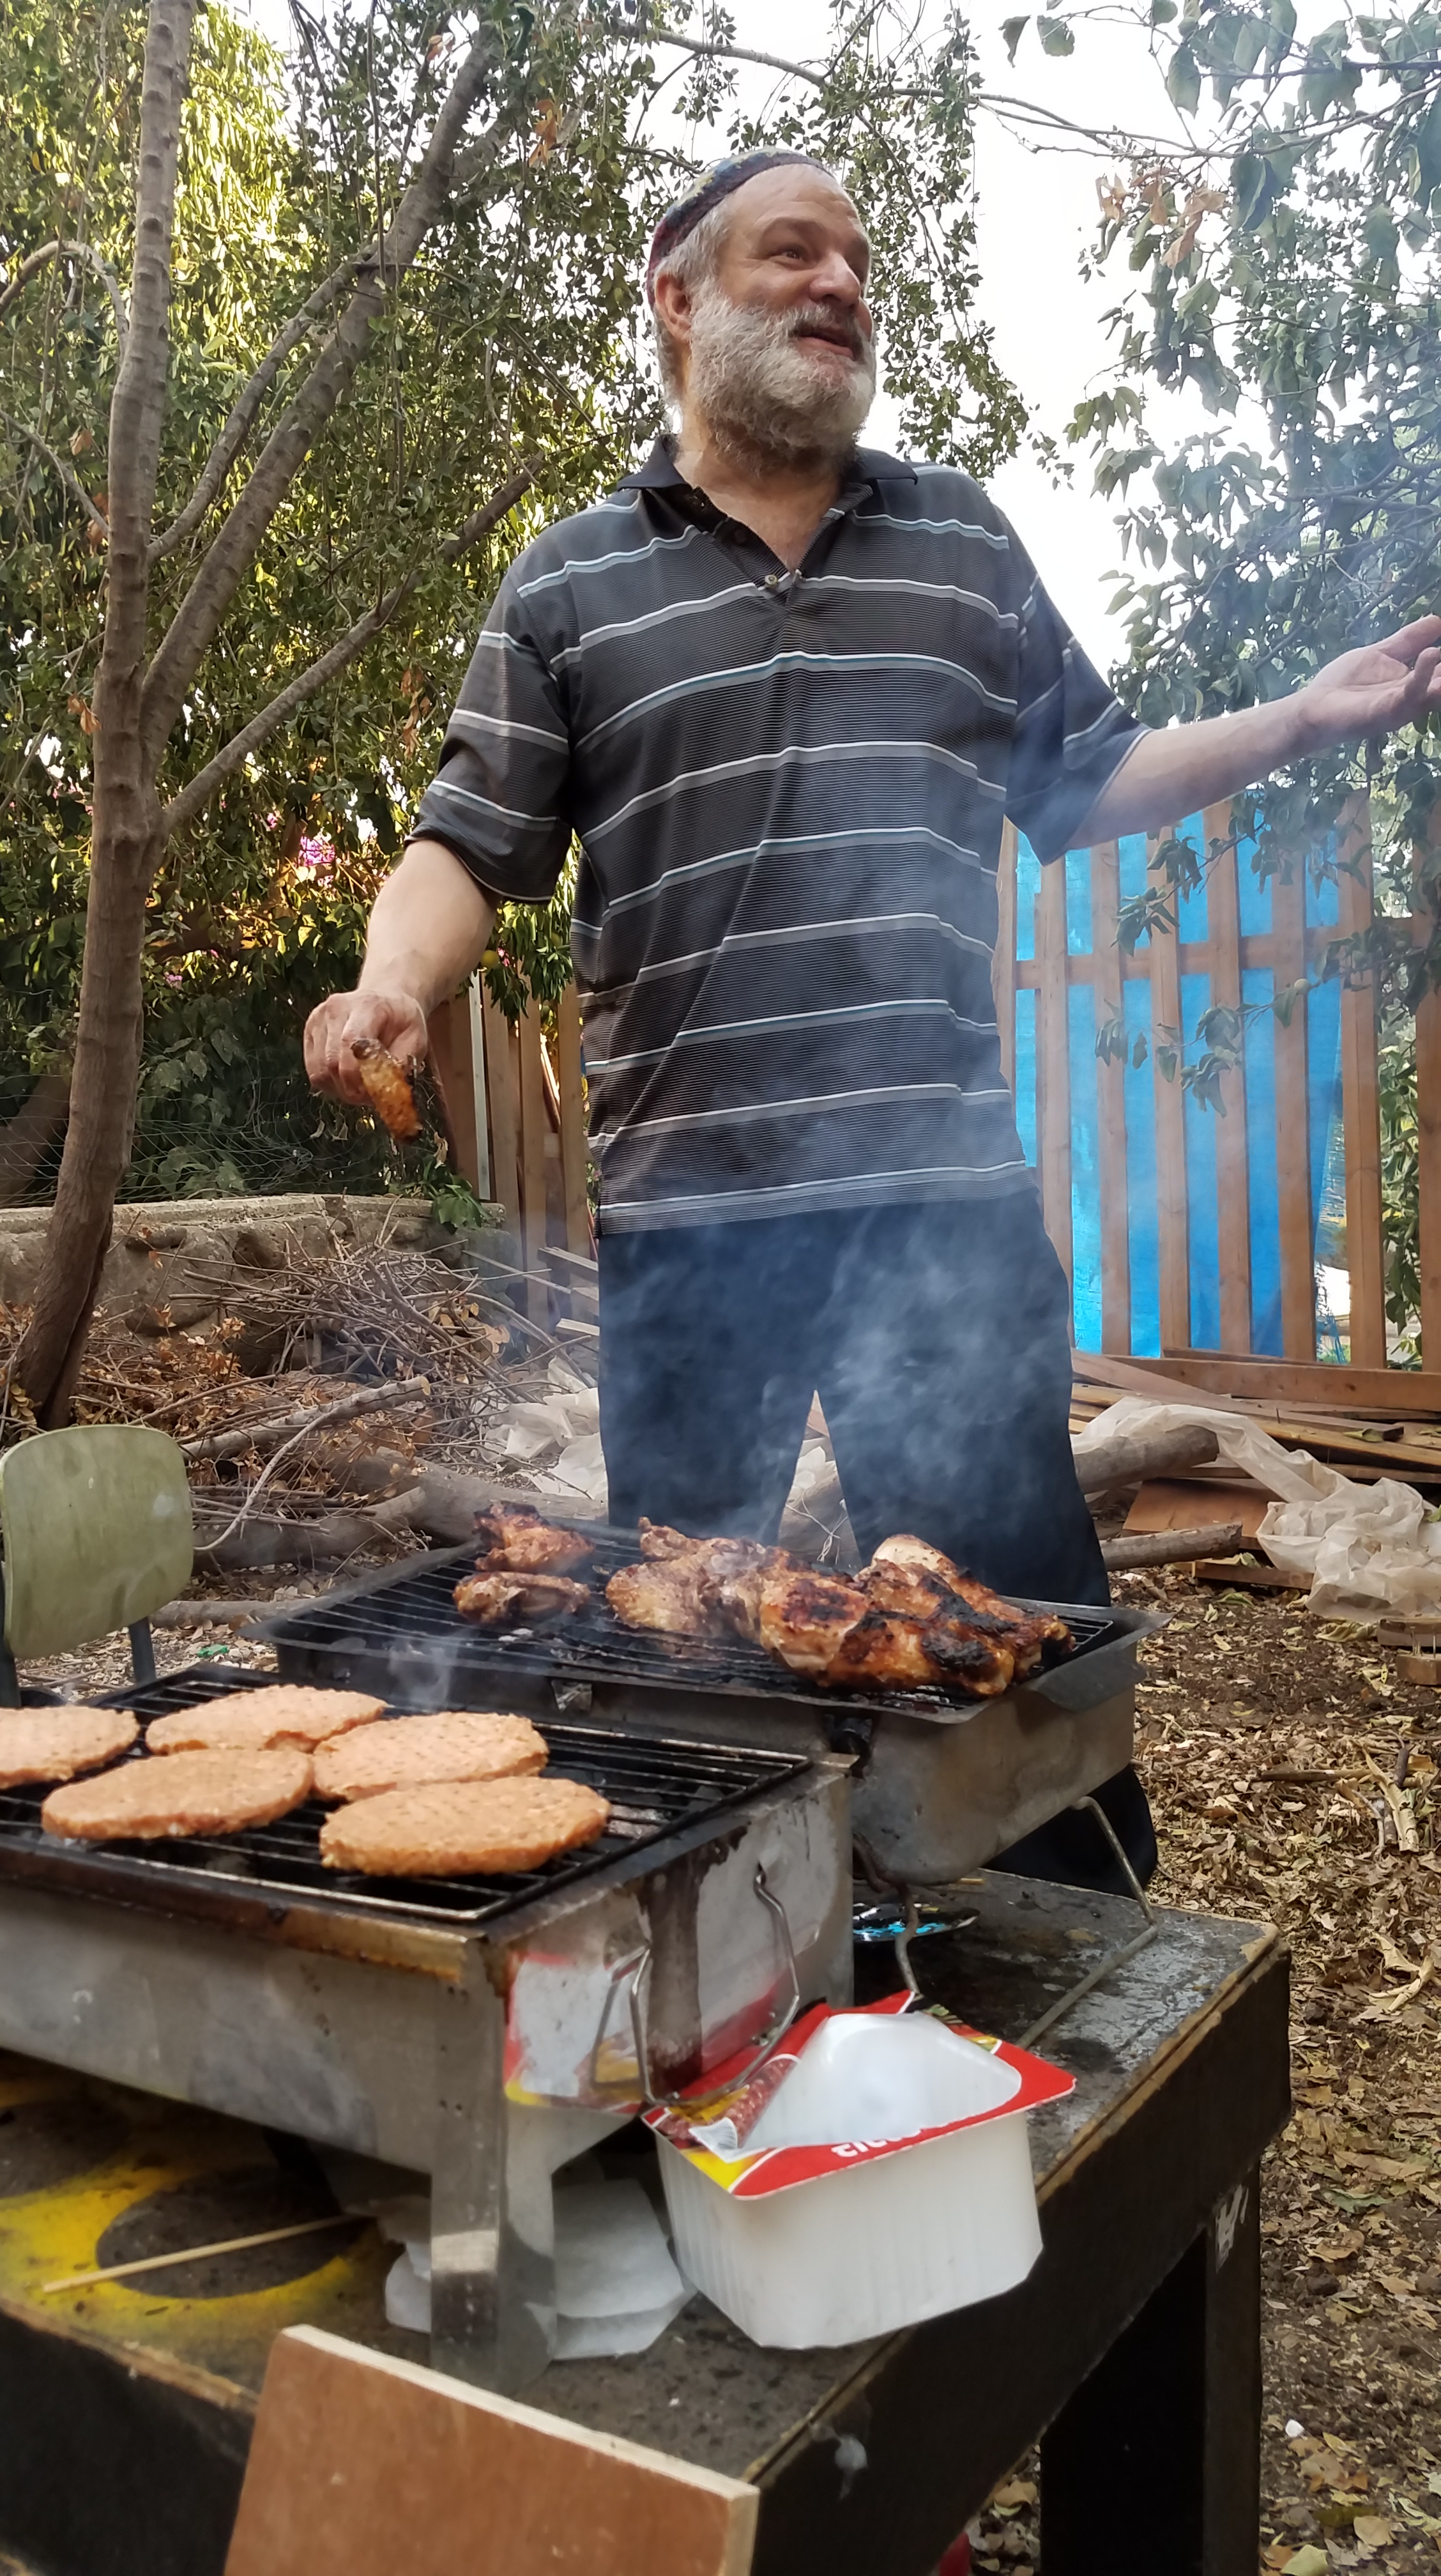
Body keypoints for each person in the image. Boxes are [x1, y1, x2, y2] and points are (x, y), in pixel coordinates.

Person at [306, 149, 1441, 1892]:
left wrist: (1296, 718)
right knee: (679, 1651)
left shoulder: (958, 542)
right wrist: (395, 981)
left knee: (1019, 1643)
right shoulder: (570, 583)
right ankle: (724, 1955)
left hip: (943, 1214)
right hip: (693, 1227)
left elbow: (1086, 779)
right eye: (793, 251)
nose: (840, 282)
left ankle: (1094, 1964)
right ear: (680, 299)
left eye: (857, 258)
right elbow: (469, 841)